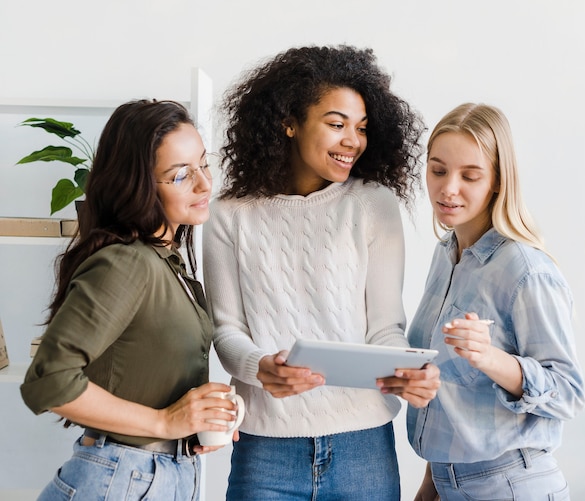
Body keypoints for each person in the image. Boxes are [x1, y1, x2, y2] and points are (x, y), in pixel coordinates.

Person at [203, 45, 441, 500]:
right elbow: (226, 330)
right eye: (336, 124)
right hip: (264, 446)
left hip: (363, 443)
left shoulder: (374, 204)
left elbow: (385, 327)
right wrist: (260, 367)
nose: (353, 139)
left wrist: (404, 367)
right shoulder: (228, 215)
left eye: (362, 127)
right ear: (289, 122)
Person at [21, 99, 239, 500]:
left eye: (203, 165)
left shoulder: (166, 262)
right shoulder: (127, 263)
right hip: (122, 480)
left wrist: (191, 424)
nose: (205, 184)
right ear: (137, 184)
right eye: (180, 175)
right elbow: (48, 380)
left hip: (158, 474)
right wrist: (163, 423)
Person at [402, 103, 585, 500]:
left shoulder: (525, 270)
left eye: (470, 176)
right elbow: (454, 401)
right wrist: (430, 487)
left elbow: (568, 393)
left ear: (499, 182)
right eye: (438, 170)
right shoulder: (446, 253)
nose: (449, 188)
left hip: (512, 486)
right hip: (448, 485)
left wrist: (489, 358)